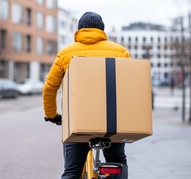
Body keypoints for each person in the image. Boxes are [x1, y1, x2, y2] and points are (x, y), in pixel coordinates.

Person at [43, 12, 130, 179]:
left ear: (79, 30)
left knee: (72, 172)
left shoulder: (65, 54)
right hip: (111, 121)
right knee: (117, 160)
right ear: (102, 30)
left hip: (78, 122)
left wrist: (51, 115)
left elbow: (49, 88)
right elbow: (128, 87)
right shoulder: (120, 52)